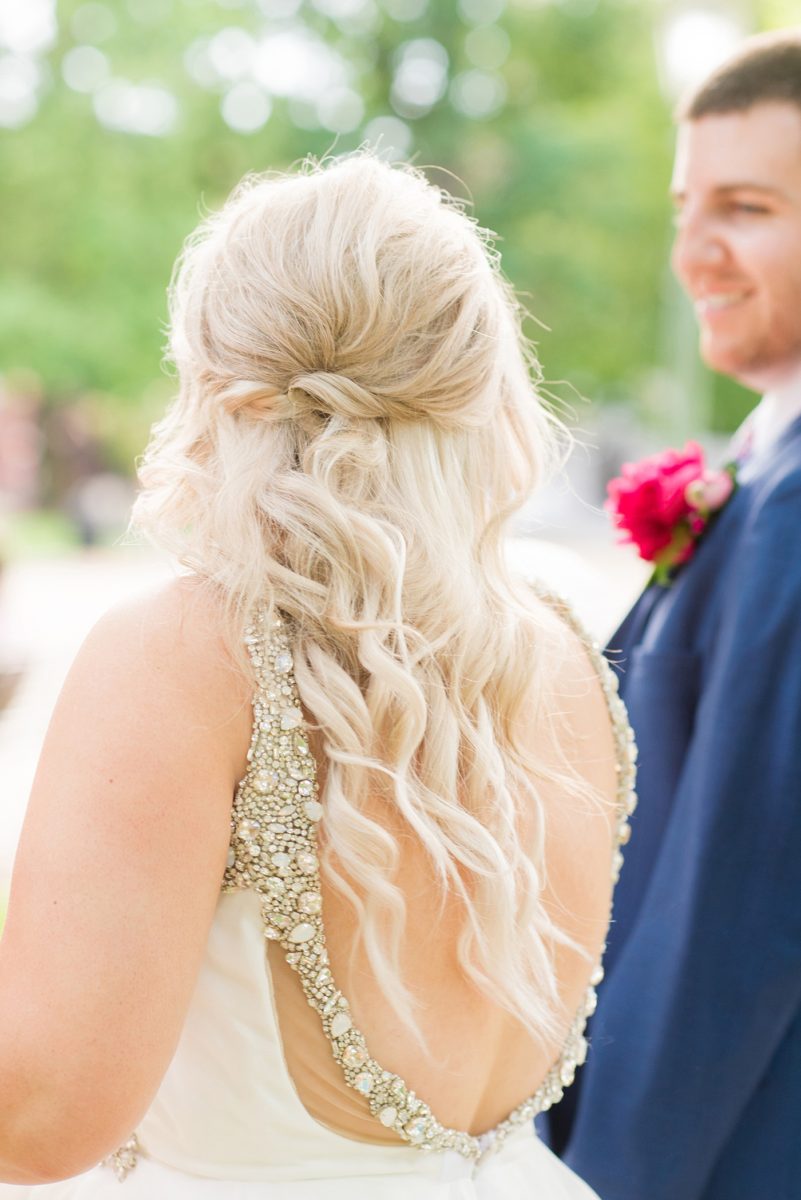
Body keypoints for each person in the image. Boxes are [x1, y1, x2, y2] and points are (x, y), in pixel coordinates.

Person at [0, 154, 635, 1198]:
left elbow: (37, 1124)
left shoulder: (186, 655)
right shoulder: (563, 640)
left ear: (215, 379)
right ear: (479, 374)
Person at [547, 28, 801, 1200]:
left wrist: (600, 1180)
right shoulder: (760, 477)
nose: (694, 254)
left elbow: (735, 903)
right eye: (683, 207)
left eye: (745, 208)